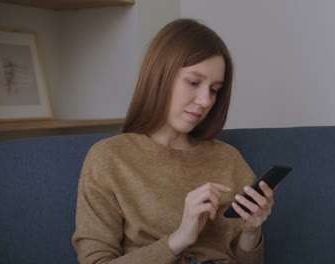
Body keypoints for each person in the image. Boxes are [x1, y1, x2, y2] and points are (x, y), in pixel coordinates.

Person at [72, 18, 275, 264]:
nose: (205, 100)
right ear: (160, 76)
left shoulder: (229, 159)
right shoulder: (110, 158)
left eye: (214, 89)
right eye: (193, 82)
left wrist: (251, 232)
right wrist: (179, 239)